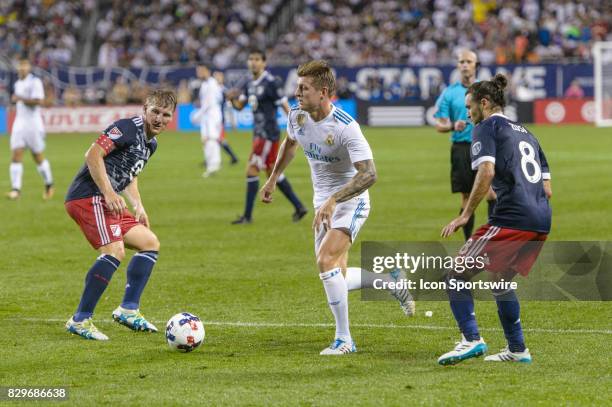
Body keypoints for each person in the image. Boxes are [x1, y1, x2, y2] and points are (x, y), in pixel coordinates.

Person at [261, 60, 415, 356]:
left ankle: (344, 340)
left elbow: (369, 174)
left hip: (350, 200)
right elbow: (289, 144)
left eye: (304, 88)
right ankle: (391, 282)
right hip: (324, 203)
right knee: (335, 274)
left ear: (324, 92)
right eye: (297, 86)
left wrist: (334, 200)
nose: (297, 93)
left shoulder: (346, 127)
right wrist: (272, 179)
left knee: (325, 261)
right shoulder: (297, 116)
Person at [437, 74, 552, 365]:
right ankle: (518, 350)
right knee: (501, 282)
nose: (467, 112)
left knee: (455, 274)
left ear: (484, 103)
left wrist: (466, 215)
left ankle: (471, 340)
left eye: (469, 106)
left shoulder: (486, 127)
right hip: (540, 220)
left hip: (513, 218)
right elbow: (547, 188)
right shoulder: (527, 133)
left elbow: (486, 172)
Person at [64, 89, 177, 340]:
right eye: (155, 112)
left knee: (149, 243)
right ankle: (80, 320)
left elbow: (130, 174)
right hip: (88, 196)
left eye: (166, 114)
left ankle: (128, 309)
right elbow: (93, 154)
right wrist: (108, 192)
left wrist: (138, 205)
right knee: (114, 251)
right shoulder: (127, 128)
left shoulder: (151, 144)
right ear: (145, 109)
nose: (159, 118)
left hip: (108, 200)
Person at [227, 49, 307, 224]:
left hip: (268, 135)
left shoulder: (271, 82)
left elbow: (285, 105)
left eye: (257, 59)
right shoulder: (249, 82)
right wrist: (231, 99)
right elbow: (240, 106)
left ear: (264, 63)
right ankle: (299, 207)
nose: (253, 62)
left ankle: (247, 217)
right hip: (258, 133)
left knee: (252, 170)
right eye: (250, 59)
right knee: (272, 172)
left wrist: (295, 129)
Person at [434, 49, 481, 240]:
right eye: (461, 61)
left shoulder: (484, 89)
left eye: (468, 61)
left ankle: (496, 242)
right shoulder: (449, 93)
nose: (464, 65)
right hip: (461, 148)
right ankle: (469, 242)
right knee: (467, 197)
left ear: (475, 65)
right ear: (457, 65)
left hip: (485, 145)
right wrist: (453, 125)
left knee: (494, 194)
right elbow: (439, 123)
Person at [7, 59, 54, 200]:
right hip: (19, 123)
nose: (22, 67)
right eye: (20, 65)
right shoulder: (17, 83)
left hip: (33, 125)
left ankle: (49, 184)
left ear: (29, 67)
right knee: (16, 155)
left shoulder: (35, 82)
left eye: (24, 65)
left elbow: (39, 101)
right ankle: (16, 190)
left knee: (37, 157)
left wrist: (19, 98)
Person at [195, 64, 223, 177]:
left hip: (212, 114)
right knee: (205, 139)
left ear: (206, 70)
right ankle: (210, 163)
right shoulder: (205, 84)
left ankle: (214, 165)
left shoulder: (211, 83)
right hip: (207, 114)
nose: (198, 73)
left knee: (211, 138)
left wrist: (197, 115)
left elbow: (209, 103)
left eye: (199, 70)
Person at [213, 70, 238, 165]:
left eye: (219, 77)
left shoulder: (224, 90)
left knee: (220, 140)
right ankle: (212, 159)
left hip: (219, 119)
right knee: (215, 139)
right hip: (213, 119)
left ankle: (233, 157)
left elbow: (230, 107)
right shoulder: (213, 89)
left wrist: (233, 123)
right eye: (215, 77)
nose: (217, 79)